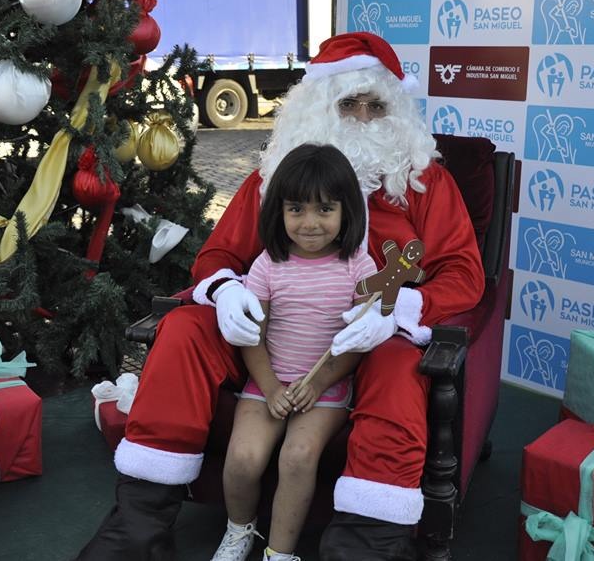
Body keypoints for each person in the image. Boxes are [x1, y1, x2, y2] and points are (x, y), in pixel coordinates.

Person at [77, 31, 484, 561]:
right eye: (347, 102)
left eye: (375, 104)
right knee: (182, 330)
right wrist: (226, 294)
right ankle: (139, 526)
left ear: (397, 110)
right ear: (318, 106)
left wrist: (400, 311)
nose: (362, 117)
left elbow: (462, 272)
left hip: (371, 341)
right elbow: (218, 257)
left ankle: (368, 544)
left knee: (397, 366)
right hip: (276, 336)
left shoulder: (422, 181)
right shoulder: (276, 178)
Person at [212, 144, 378, 561]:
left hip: (327, 389)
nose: (310, 223)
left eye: (325, 209)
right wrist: (270, 388)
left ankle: (280, 553)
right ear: (279, 212)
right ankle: (238, 531)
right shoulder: (268, 265)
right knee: (243, 458)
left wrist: (320, 381)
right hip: (269, 382)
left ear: (346, 212)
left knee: (298, 456)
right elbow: (253, 335)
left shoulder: (359, 265)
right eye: (296, 209)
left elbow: (358, 341)